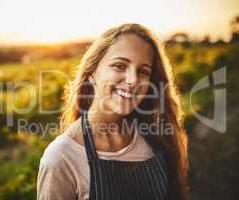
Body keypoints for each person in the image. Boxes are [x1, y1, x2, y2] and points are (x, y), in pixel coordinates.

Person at [37, 23, 189, 200]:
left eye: (143, 71)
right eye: (119, 66)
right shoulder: (62, 157)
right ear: (92, 72)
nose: (132, 80)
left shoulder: (157, 138)